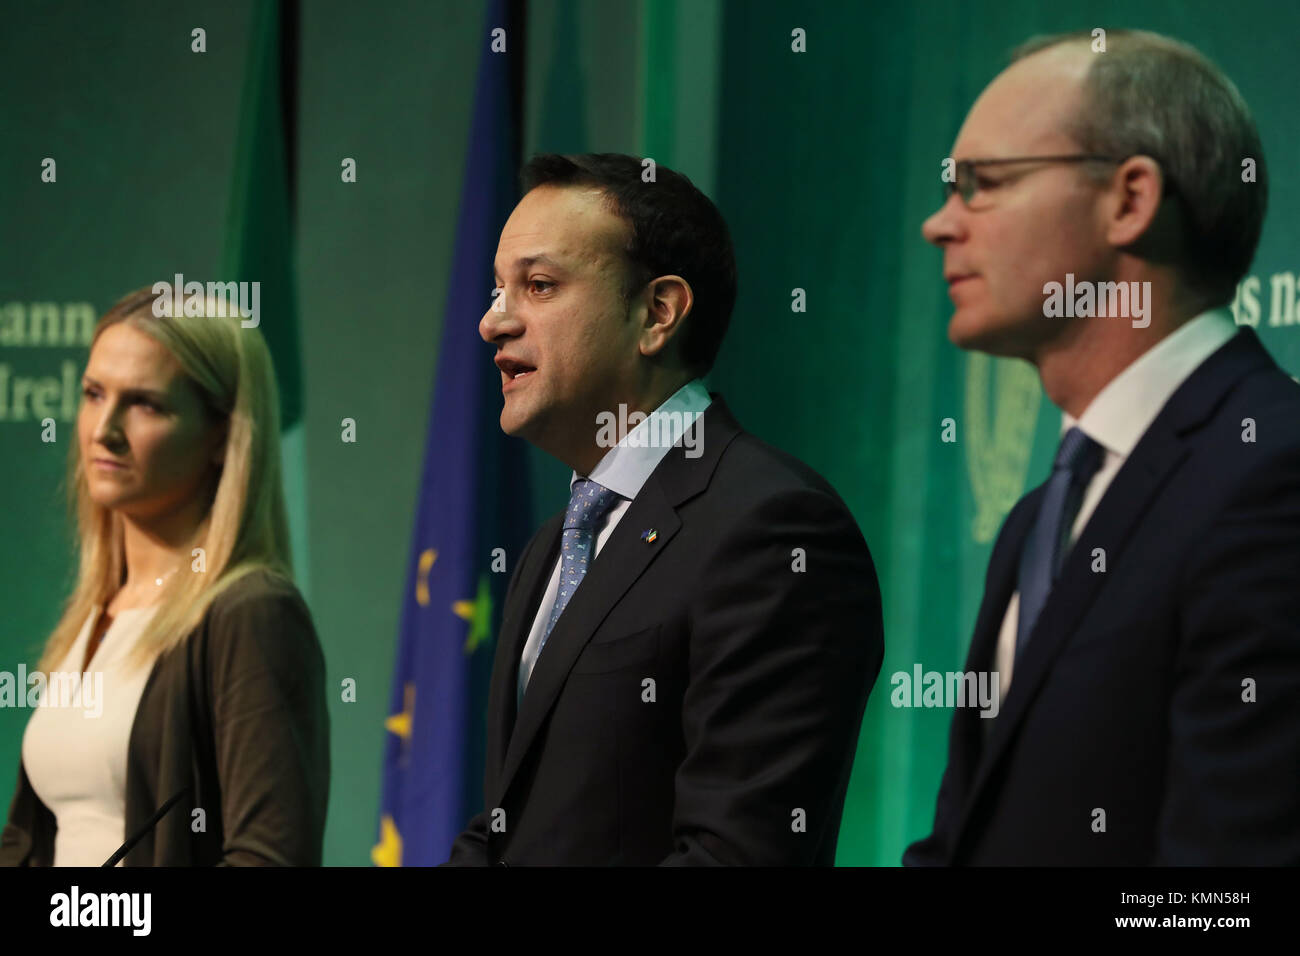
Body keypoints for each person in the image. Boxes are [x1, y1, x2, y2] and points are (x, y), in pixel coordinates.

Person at [905, 30, 1300, 865]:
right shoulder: (1038, 517)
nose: (939, 224)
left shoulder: (1273, 473)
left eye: (983, 184)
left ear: (1129, 199)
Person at [444, 153, 884, 865]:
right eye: (498, 290)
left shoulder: (774, 530)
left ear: (657, 313)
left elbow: (736, 854)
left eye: (539, 285)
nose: (494, 323)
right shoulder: (552, 548)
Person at [0, 286, 330, 866]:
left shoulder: (250, 613)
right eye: (93, 394)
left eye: (145, 404)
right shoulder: (99, 611)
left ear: (222, 438)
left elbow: (268, 858)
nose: (104, 430)